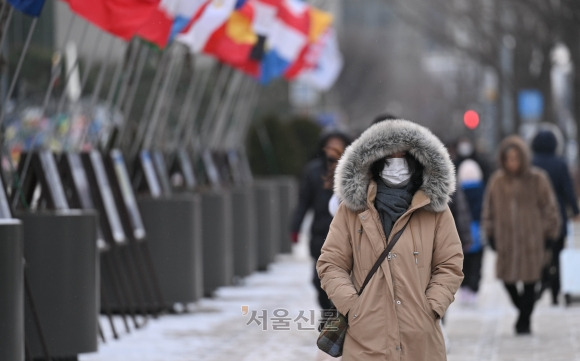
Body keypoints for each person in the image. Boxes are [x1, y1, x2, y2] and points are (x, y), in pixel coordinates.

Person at [317, 119, 464, 361]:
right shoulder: (352, 209)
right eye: (389, 155)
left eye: (403, 155)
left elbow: (450, 264)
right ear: (374, 160)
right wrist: (354, 308)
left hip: (420, 340)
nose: (396, 162)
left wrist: (431, 308)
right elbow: (331, 263)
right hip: (366, 340)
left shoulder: (434, 209)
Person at [482, 135, 561, 335]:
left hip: (532, 240)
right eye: (509, 158)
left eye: (516, 158)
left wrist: (550, 234)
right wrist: (490, 234)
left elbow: (550, 208)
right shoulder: (497, 181)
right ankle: (524, 311)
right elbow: (488, 210)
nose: (513, 162)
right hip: (506, 241)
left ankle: (523, 322)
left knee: (530, 281)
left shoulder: (537, 179)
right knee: (507, 280)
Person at [290, 130, 351, 311]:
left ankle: (343, 314)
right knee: (320, 279)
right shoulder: (313, 171)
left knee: (344, 278)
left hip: (347, 236)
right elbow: (303, 203)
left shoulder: (353, 168)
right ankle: (328, 312)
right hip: (321, 234)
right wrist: (295, 228)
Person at [531, 129, 580, 305]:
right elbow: (568, 189)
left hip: (536, 218)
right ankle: (556, 290)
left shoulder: (531, 163)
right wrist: (575, 211)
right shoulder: (560, 164)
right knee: (558, 254)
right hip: (557, 216)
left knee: (540, 254)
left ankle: (543, 281)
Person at [456, 159, 485, 304]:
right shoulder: (482, 189)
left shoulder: (458, 189)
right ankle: (474, 288)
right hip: (478, 230)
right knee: (477, 262)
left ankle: (465, 288)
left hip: (463, 231)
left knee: (463, 262)